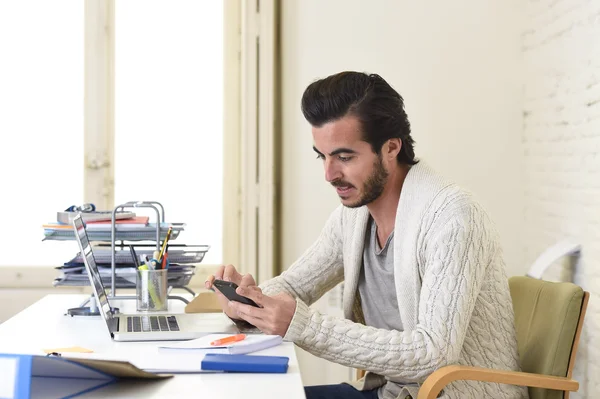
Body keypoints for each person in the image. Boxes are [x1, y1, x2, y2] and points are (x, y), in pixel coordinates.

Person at [206, 71, 528, 399]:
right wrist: (246, 304)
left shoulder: (452, 216)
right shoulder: (353, 218)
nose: (330, 174)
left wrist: (303, 325)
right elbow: (293, 287)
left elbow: (434, 353)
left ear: (391, 148)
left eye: (345, 157)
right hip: (388, 394)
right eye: (323, 156)